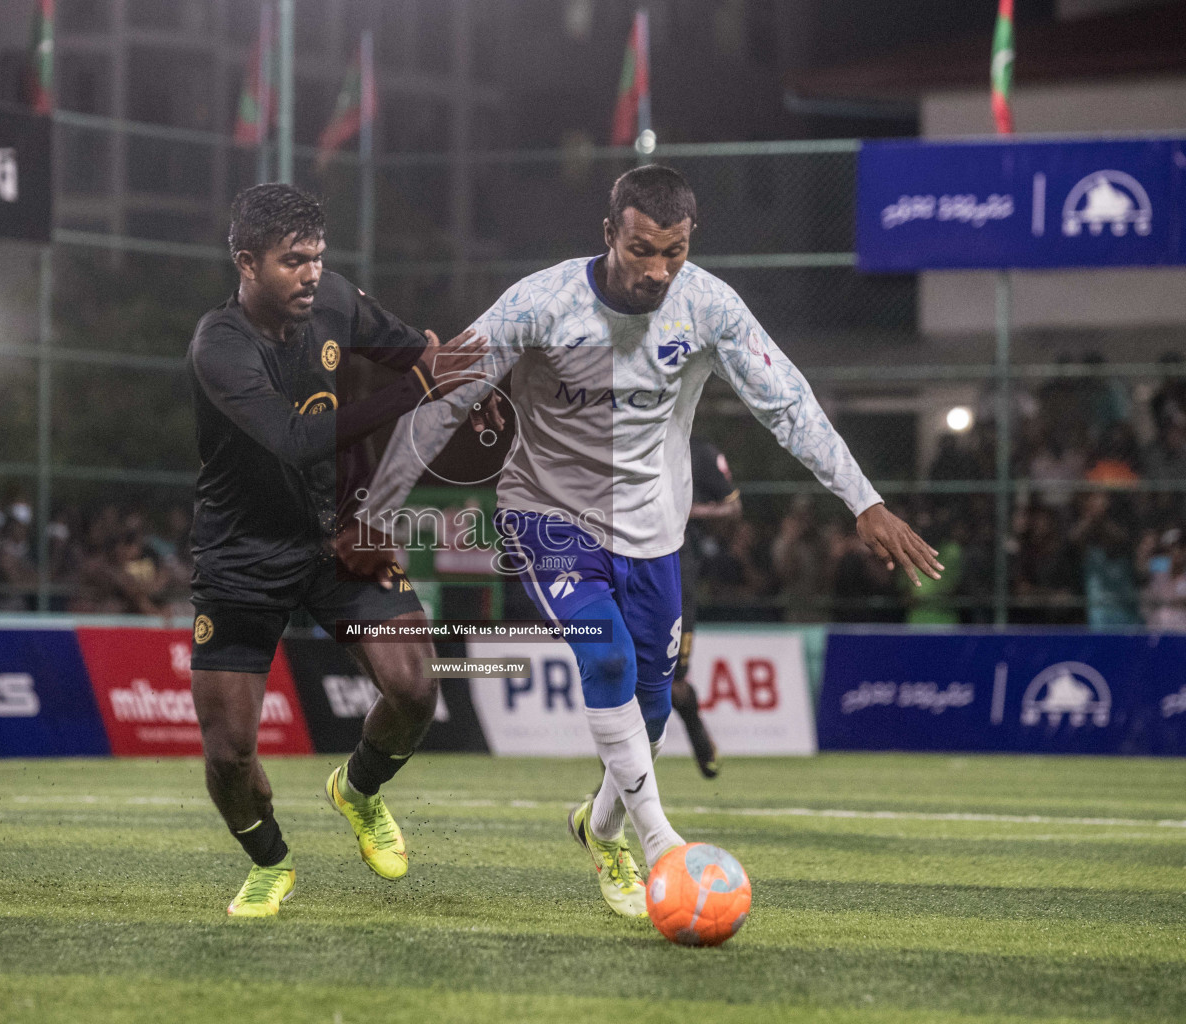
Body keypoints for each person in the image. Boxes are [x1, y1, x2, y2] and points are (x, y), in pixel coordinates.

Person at [352, 165, 940, 919]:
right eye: (641, 250)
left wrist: (864, 500)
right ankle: (661, 845)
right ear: (609, 235)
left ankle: (600, 829)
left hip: (654, 530)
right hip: (546, 515)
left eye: (675, 251)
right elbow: (444, 399)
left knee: (653, 712)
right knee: (605, 656)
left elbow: (786, 399)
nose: (658, 270)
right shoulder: (541, 303)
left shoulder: (707, 306)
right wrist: (379, 509)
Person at [187, 183, 487, 917]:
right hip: (241, 554)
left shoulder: (339, 302)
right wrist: (417, 387)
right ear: (246, 262)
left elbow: (427, 358)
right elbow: (294, 439)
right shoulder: (219, 345)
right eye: (293, 261)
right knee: (229, 755)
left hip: (335, 538)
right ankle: (271, 862)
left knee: (416, 688)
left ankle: (357, 789)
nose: (311, 274)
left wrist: (380, 502)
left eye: (318, 258)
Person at [673, 437, 741, 778]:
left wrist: (689, 509)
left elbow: (733, 507)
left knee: (672, 686)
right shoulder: (627, 442)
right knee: (625, 676)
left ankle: (696, 729)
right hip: (630, 566)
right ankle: (614, 790)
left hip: (679, 571)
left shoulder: (700, 452)